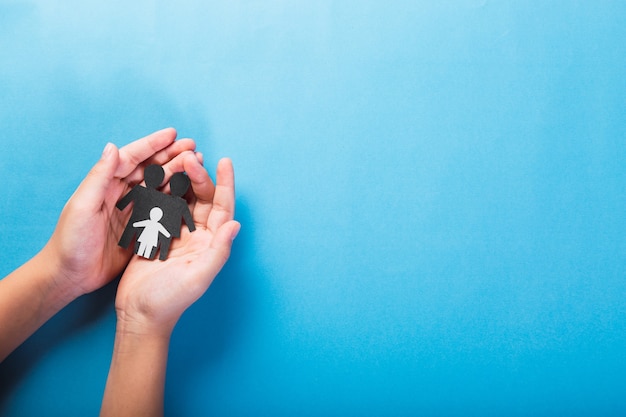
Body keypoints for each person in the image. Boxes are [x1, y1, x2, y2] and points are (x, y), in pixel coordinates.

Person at [0, 128, 240, 417]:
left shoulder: (158, 199)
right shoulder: (164, 201)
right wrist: (63, 271)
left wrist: (61, 272)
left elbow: (160, 216)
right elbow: (169, 219)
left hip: (142, 236)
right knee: (143, 239)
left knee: (142, 238)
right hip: (143, 236)